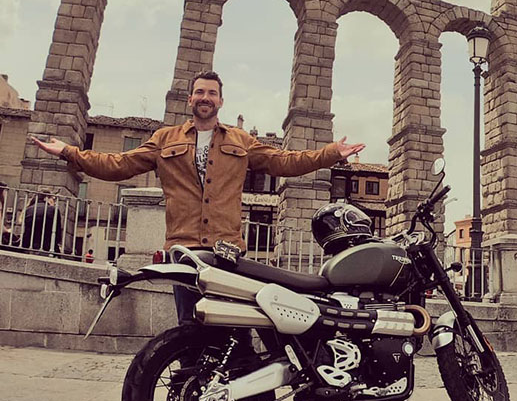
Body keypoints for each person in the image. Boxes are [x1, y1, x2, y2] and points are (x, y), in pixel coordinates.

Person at [31, 70, 365, 325]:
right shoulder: (165, 138)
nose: (205, 97)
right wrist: (70, 153)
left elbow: (285, 161)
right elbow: (118, 165)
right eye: (199, 92)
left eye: (212, 93)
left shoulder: (241, 140)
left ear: (220, 101)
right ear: (190, 99)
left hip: (227, 251)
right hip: (185, 250)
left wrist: (331, 153)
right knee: (188, 326)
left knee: (232, 326)